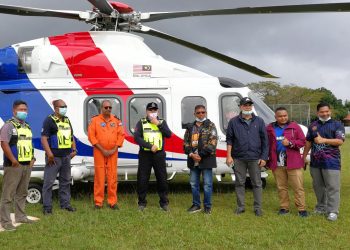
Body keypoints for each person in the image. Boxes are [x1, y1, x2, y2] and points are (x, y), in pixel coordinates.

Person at [226, 97, 268, 216]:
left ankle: (258, 208)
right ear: (240, 107)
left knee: (257, 183)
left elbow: (265, 141)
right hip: (239, 158)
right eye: (245, 105)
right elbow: (229, 140)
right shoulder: (233, 122)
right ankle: (240, 207)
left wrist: (264, 157)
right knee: (239, 183)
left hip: (255, 158)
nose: (247, 107)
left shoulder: (259, 121)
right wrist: (228, 156)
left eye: (249, 105)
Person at [303, 102, 345, 221]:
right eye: (322, 112)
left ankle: (332, 211)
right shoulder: (313, 125)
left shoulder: (337, 125)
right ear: (318, 113)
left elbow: (340, 141)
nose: (325, 113)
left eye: (327, 111)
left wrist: (323, 140)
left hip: (331, 162)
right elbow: (308, 143)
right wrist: (304, 157)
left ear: (330, 111)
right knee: (318, 187)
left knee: (332, 187)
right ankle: (321, 207)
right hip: (315, 162)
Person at [0, 100, 36, 231]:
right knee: (8, 194)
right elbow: (3, 143)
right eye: (21, 109)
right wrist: (13, 160)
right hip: (14, 165)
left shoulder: (27, 126)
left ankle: (20, 216)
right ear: (14, 111)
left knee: (22, 193)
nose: (24, 112)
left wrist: (33, 158)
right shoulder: (9, 126)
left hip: (27, 164)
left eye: (25, 110)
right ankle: (5, 221)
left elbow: (28, 144)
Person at [266, 107, 308, 217]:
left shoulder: (294, 126)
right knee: (281, 187)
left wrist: (290, 143)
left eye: (285, 115)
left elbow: (302, 141)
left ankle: (301, 209)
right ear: (275, 117)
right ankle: (284, 208)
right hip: (278, 163)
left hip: (293, 162)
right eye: (280, 116)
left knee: (298, 187)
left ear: (287, 115)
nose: (283, 118)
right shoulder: (269, 128)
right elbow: (266, 144)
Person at [134, 102, 172, 211]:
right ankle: (142, 203)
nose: (152, 112)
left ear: (158, 111)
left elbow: (168, 134)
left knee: (162, 179)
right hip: (145, 155)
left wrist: (158, 124)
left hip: (159, 155)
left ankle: (164, 203)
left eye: (155, 110)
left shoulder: (162, 122)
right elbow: (137, 138)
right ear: (146, 111)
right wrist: (149, 146)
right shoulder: (141, 122)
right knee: (142, 179)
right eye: (150, 110)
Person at [41, 99, 77, 215]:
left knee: (65, 181)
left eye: (65, 106)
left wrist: (74, 149)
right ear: (55, 108)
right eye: (62, 106)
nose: (64, 108)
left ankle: (65, 204)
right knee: (49, 182)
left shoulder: (66, 120)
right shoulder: (49, 120)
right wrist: (49, 154)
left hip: (66, 156)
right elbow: (44, 138)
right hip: (54, 157)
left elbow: (71, 136)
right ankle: (47, 207)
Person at [88, 100, 125, 210]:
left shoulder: (117, 121)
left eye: (110, 107)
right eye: (106, 107)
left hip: (113, 153)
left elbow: (121, 135)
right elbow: (91, 136)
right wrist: (102, 149)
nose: (108, 109)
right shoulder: (95, 120)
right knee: (99, 177)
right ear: (101, 108)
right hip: (99, 152)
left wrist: (114, 149)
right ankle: (98, 202)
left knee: (112, 177)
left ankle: (112, 202)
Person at [183, 105, 217, 214]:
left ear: (206, 113)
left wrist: (200, 155)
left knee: (207, 184)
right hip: (193, 159)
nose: (201, 114)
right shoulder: (190, 127)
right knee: (193, 183)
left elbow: (213, 143)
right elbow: (185, 143)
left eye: (203, 112)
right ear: (194, 114)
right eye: (198, 112)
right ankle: (196, 205)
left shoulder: (211, 125)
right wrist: (191, 154)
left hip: (206, 159)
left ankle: (207, 206)